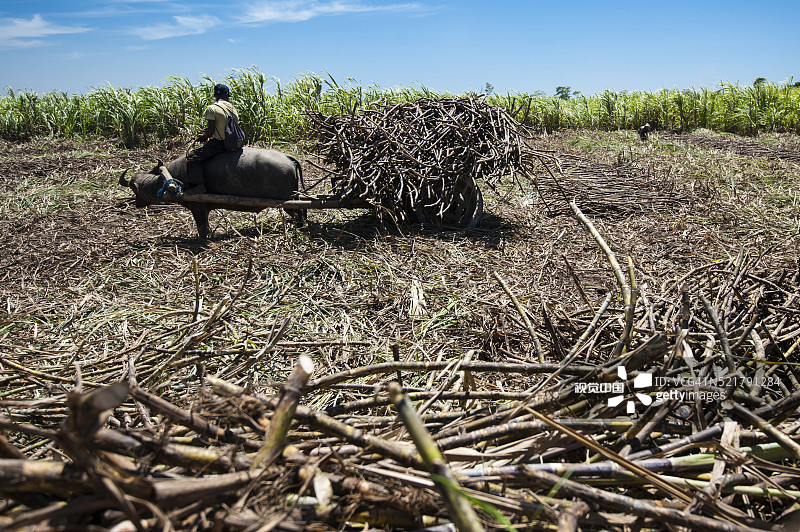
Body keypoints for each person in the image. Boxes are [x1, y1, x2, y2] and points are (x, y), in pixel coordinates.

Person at [182, 83, 240, 196]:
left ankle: (199, 186)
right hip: (234, 142)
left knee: (192, 158)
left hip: (220, 143)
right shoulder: (233, 108)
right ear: (227, 95)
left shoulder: (212, 108)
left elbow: (210, 131)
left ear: (215, 95)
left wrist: (203, 137)